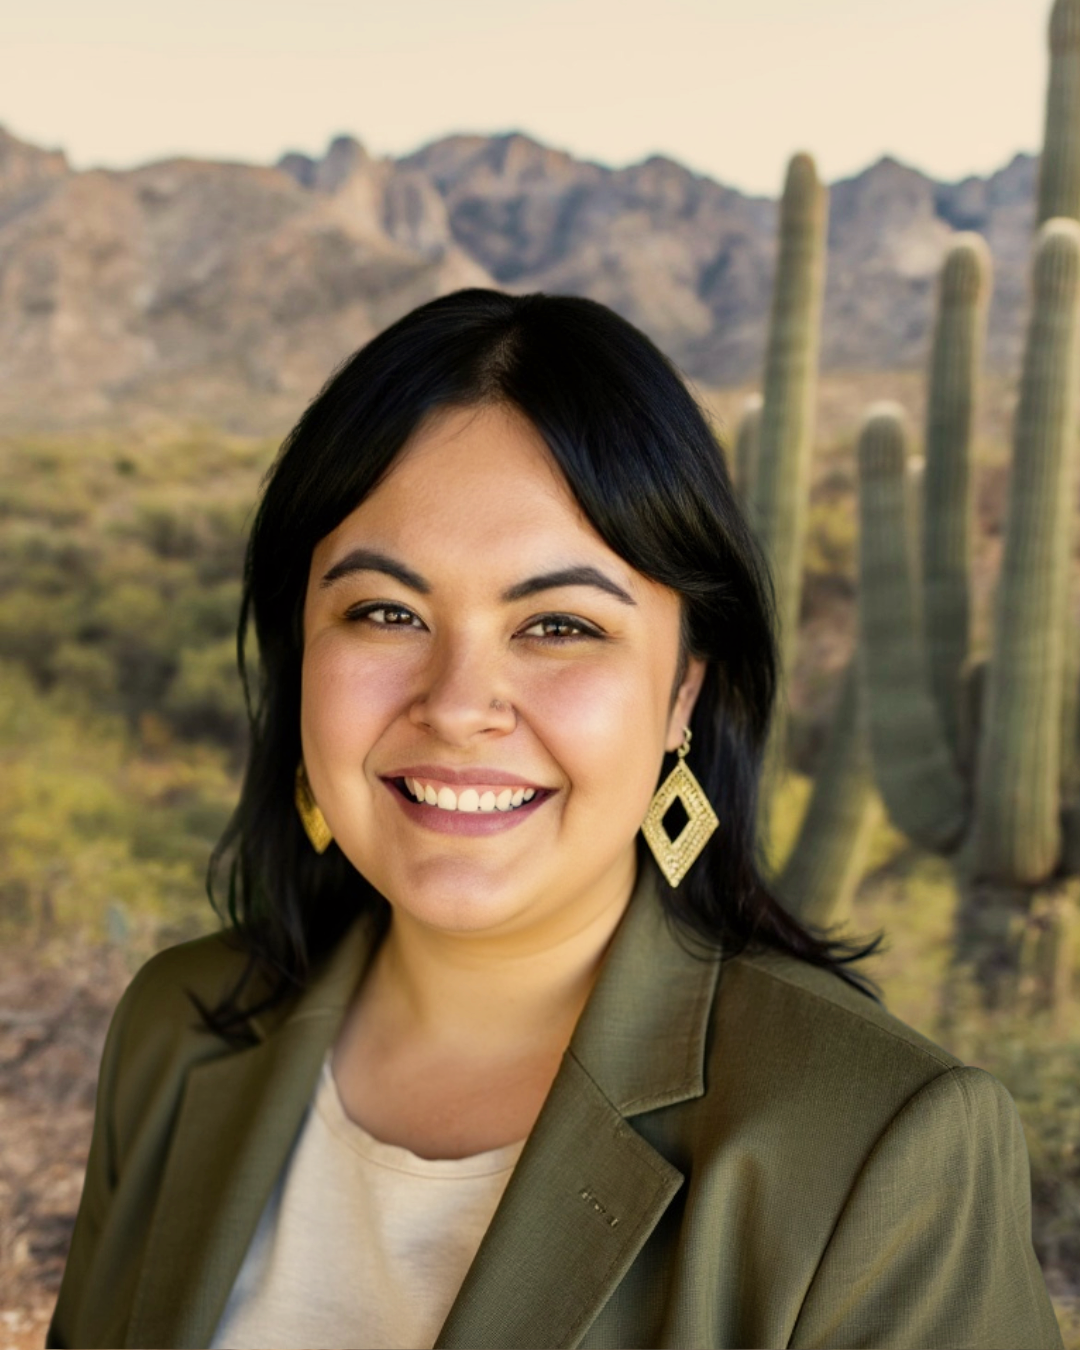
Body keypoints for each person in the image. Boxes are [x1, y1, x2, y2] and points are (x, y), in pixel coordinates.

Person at [48, 289, 1062, 1350]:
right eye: (386, 612)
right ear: (300, 648)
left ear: (684, 694)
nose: (455, 706)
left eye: (559, 625)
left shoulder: (879, 1147)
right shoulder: (179, 1028)